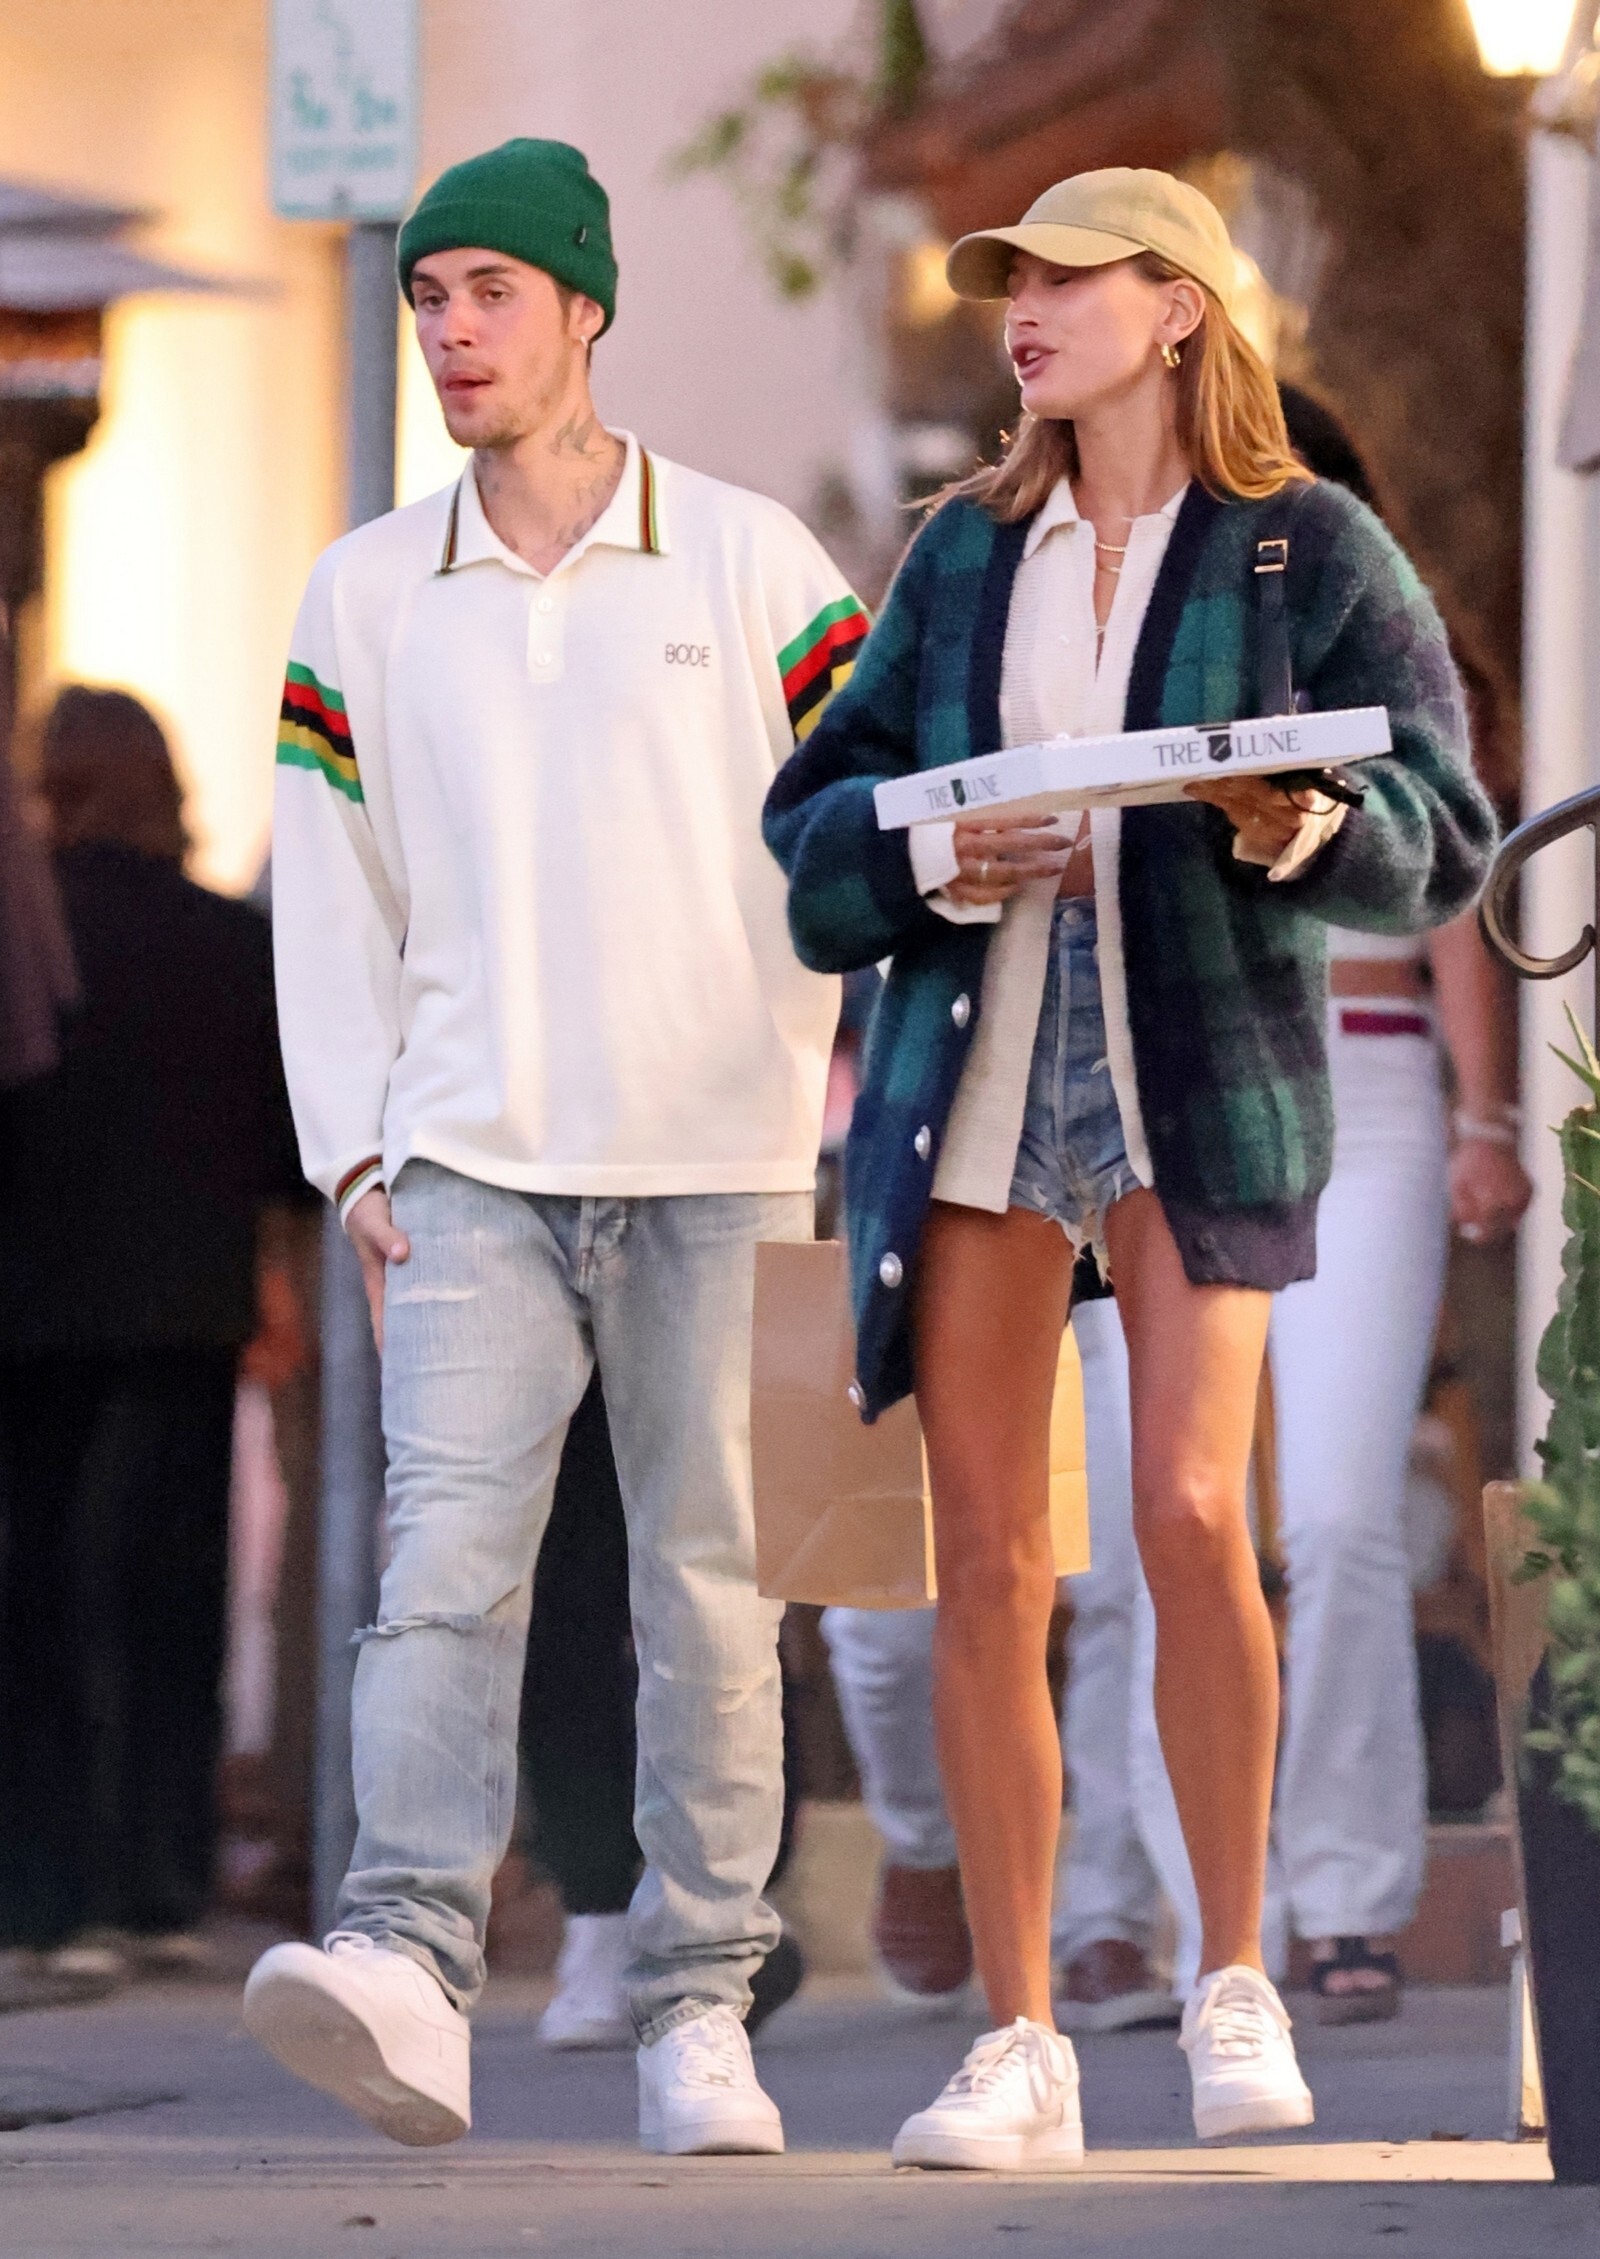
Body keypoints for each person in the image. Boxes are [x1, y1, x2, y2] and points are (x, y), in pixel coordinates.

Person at [764, 167, 1495, 2168]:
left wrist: (1295, 825)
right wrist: (929, 848)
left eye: (1067, 280)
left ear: (1178, 306)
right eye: (1009, 284)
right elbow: (812, 821)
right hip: (984, 1070)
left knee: (1187, 1510)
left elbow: (1440, 826)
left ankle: (1231, 1974)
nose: (1023, 311)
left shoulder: (1301, 543)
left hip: (1202, 1065)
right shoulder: (959, 554)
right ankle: (1018, 2035)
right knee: (991, 1556)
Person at [242, 138, 867, 2158]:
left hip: (721, 1161)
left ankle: (701, 2007)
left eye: (489, 292)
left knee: (712, 1598)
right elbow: (328, 897)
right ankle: (410, 1966)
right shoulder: (361, 591)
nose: (450, 331)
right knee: (441, 1569)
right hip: (467, 1170)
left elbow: (875, 821)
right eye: (427, 297)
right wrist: (355, 1158)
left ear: (586, 307)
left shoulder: (756, 561)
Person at [0, 686, 306, 1996]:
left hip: (32, 1313)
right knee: (173, 1596)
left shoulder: (30, 935)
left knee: (38, 1598)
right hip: (191, 1307)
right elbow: (288, 1144)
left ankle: (45, 1896)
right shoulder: (229, 942)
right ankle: (164, 1885)